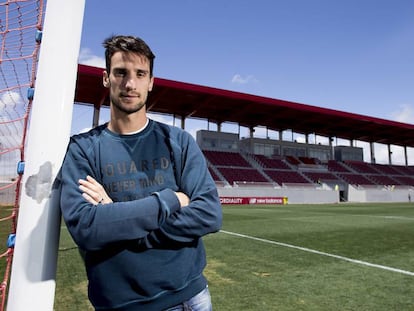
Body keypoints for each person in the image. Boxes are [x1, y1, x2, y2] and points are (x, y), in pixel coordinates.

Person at [58, 35, 222, 310]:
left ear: (151, 82)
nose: (130, 83)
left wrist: (118, 217)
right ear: (106, 78)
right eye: (121, 72)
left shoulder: (178, 141)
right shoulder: (83, 149)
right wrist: (168, 201)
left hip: (189, 300)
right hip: (121, 304)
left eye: (140, 74)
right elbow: (87, 227)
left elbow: (209, 214)